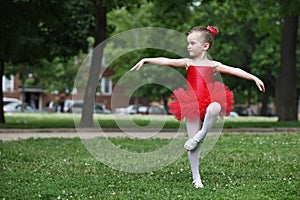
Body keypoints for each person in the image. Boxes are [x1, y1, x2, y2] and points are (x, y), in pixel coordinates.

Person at [130, 26, 265, 188]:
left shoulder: (214, 65)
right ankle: (196, 178)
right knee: (192, 143)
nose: (188, 46)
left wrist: (254, 78)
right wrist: (146, 59)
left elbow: (234, 70)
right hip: (191, 102)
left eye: (192, 43)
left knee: (215, 107)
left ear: (205, 46)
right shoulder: (188, 63)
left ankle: (201, 134)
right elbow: (166, 61)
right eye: (188, 43)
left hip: (210, 99)